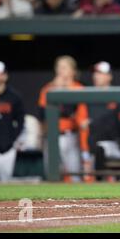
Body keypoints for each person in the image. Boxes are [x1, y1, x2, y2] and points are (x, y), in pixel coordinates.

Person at [38, 55, 90, 183]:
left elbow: (78, 114)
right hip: (52, 137)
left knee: (75, 176)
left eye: (65, 67)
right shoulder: (48, 88)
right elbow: (42, 113)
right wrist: (56, 88)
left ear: (73, 71)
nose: (61, 71)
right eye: (59, 67)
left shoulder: (79, 88)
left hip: (71, 136)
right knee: (52, 176)